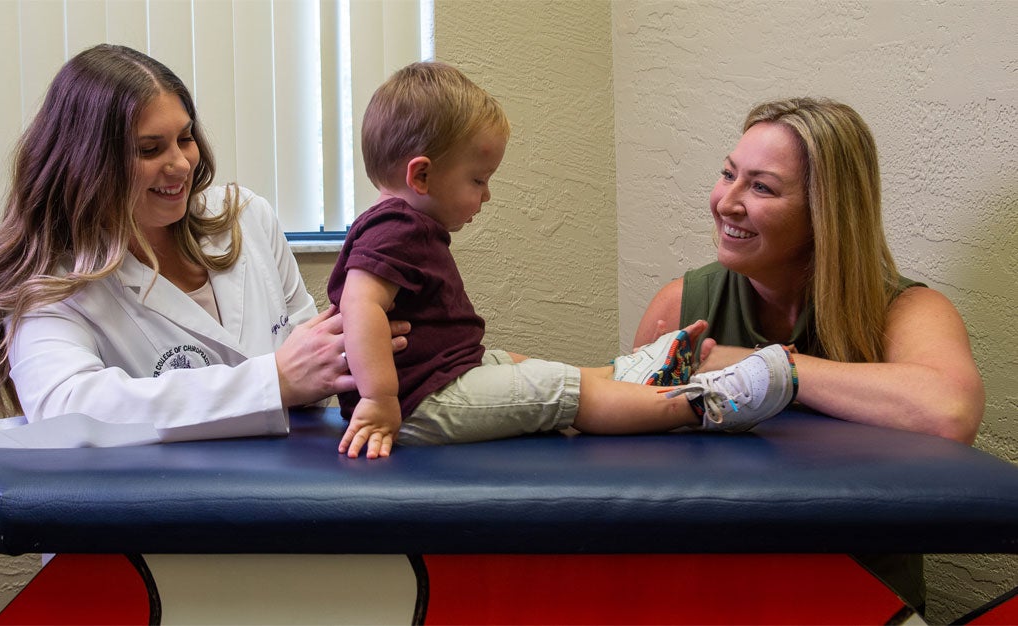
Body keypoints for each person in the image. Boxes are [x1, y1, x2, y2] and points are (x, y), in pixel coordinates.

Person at [326, 61, 801, 460]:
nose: (486, 195)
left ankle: (628, 376)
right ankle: (699, 404)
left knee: (512, 362)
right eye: (478, 180)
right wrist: (379, 400)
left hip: (438, 378)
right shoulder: (396, 229)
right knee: (554, 389)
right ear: (423, 175)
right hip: (414, 405)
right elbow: (360, 307)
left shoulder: (401, 226)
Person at [632, 97, 986, 614]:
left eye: (761, 187)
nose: (726, 202)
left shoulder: (907, 311)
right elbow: (629, 461)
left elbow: (949, 414)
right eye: (728, 174)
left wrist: (774, 370)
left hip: (863, 598)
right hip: (715, 592)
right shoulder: (682, 304)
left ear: (825, 212)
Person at [0, 44, 408, 442]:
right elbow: (67, 410)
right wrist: (273, 381)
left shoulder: (246, 217)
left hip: (284, 488)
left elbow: (314, 371)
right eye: (149, 149)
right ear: (87, 162)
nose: (180, 164)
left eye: (184, 138)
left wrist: (354, 351)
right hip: (152, 512)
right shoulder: (50, 282)